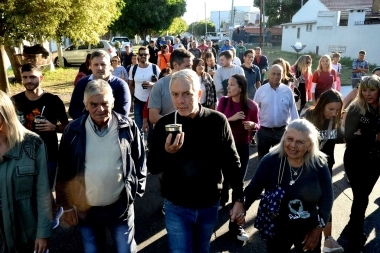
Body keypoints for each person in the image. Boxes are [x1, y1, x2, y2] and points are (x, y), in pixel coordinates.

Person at [147, 69, 245, 252]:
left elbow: (232, 162)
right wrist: (168, 152)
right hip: (176, 206)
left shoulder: (217, 121)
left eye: (186, 94)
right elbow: (152, 167)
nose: (180, 100)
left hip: (209, 204)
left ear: (199, 94)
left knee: (202, 248)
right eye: (175, 94)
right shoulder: (164, 125)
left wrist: (239, 198)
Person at [56, 79, 146, 253]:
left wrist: (137, 189)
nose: (100, 109)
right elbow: (64, 171)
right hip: (87, 211)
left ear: (112, 102)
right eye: (94, 104)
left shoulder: (127, 126)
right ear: (85, 104)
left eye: (105, 103)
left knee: (125, 250)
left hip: (120, 208)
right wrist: (66, 206)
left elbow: (140, 159)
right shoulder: (73, 130)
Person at [237, 119, 333, 253]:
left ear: (310, 145)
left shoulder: (318, 164)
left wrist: (318, 229)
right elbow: (253, 188)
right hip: (278, 228)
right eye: (290, 139)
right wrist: (241, 205)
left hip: (308, 228)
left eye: (300, 142)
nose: (293, 145)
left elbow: (327, 197)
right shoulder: (271, 160)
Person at [12, 63, 69, 229]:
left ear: (41, 78)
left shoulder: (53, 100)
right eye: (25, 77)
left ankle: (45, 224)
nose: (28, 81)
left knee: (43, 189)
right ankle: (50, 211)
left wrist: (54, 127)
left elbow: (68, 126)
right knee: (30, 189)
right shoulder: (15, 102)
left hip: (48, 154)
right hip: (22, 154)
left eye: (32, 77)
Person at [0, 90, 52, 253]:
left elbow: (43, 191)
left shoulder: (32, 144)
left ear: (5, 113)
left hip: (26, 235)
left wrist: (43, 232)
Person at [217, 74, 259, 241]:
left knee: (238, 183)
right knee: (222, 178)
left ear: (241, 88)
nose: (229, 87)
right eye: (228, 84)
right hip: (224, 147)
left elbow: (257, 123)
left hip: (242, 147)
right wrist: (231, 119)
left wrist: (253, 126)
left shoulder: (252, 105)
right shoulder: (223, 102)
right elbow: (217, 122)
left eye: (232, 85)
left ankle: (236, 225)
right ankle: (221, 200)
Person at [342, 75, 380, 252]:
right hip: (355, 159)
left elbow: (361, 135)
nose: (367, 93)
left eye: (372, 89)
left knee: (363, 195)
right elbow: (349, 136)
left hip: (376, 160)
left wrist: (363, 134)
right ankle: (356, 234)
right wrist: (373, 137)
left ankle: (352, 222)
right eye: (364, 90)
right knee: (361, 196)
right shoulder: (356, 109)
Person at [303, 89, 344, 253]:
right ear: (322, 105)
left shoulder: (334, 119)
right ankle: (306, 237)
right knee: (307, 203)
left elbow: (337, 137)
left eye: (337, 110)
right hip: (307, 168)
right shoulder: (308, 117)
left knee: (326, 201)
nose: (334, 113)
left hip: (326, 167)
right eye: (331, 109)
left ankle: (328, 240)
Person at [69, 50, 131, 119]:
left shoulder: (120, 85)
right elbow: (73, 110)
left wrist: (101, 123)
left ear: (110, 66)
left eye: (103, 64)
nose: (99, 68)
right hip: (85, 128)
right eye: (96, 65)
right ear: (90, 66)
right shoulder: (81, 84)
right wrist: (90, 124)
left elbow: (122, 113)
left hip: (112, 128)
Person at [254, 64, 299, 160]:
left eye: (279, 74)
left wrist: (296, 130)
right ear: (268, 75)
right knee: (263, 160)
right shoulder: (261, 91)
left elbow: (294, 111)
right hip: (264, 131)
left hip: (281, 131)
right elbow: (255, 110)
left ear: (282, 76)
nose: (276, 76)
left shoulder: (287, 91)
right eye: (273, 74)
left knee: (281, 159)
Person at [148, 48, 193, 125]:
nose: (191, 70)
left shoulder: (192, 83)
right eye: (187, 66)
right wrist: (176, 125)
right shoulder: (159, 85)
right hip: (167, 134)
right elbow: (153, 116)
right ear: (175, 65)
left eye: (191, 66)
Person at [128, 46, 160, 132]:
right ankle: (140, 145)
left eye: (145, 54)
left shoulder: (154, 68)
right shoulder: (133, 68)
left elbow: (161, 84)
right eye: (141, 54)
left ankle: (150, 145)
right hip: (138, 102)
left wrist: (152, 84)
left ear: (149, 55)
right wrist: (130, 102)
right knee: (139, 129)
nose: (143, 56)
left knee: (151, 129)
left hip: (152, 103)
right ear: (138, 56)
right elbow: (130, 86)